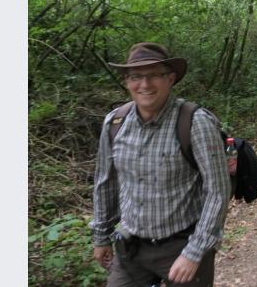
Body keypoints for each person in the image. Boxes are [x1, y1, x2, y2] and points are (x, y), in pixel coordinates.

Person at [91, 42, 230, 286]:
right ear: (126, 81)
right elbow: (105, 182)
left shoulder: (195, 122)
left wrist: (194, 252)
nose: (145, 84)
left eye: (155, 75)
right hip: (131, 248)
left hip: (182, 244)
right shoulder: (114, 123)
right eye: (136, 76)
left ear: (171, 79)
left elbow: (217, 191)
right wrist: (101, 236)